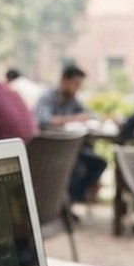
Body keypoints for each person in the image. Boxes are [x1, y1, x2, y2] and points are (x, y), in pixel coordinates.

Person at [36, 64, 106, 206]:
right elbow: (43, 120)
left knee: (98, 163)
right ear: (64, 80)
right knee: (74, 168)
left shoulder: (72, 100)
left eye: (79, 85)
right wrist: (74, 119)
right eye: (75, 84)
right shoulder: (47, 97)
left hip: (73, 148)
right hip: (51, 150)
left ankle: (72, 201)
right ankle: (63, 205)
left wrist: (96, 118)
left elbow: (88, 114)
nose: (76, 89)